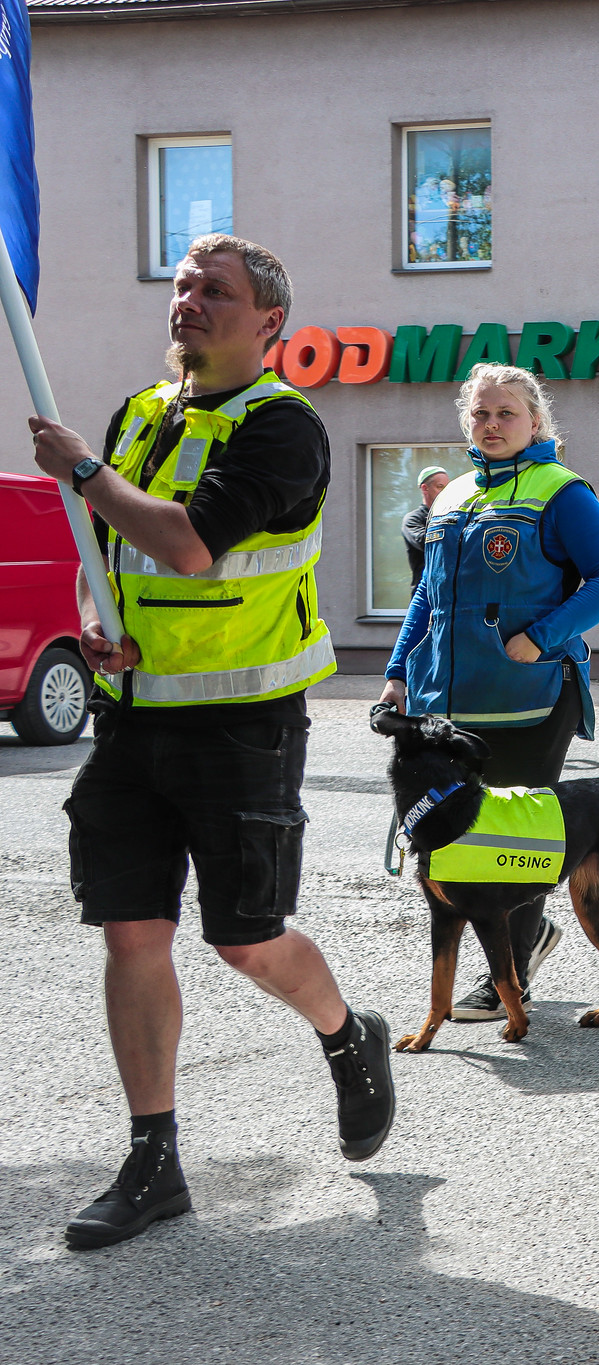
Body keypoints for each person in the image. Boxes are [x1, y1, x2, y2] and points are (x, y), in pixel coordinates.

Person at [31, 233, 394, 1249]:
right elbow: (105, 545)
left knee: (246, 941)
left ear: (269, 321)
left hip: (241, 725)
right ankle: (154, 1161)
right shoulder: (142, 413)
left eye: (215, 292)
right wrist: (95, 622)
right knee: (131, 932)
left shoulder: (284, 427)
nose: (188, 301)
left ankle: (346, 1035)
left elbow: (189, 544)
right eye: (184, 285)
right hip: (131, 716)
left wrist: (85, 469)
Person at [380, 362, 599, 1023]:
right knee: (460, 836)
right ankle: (528, 941)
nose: (492, 425)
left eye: (506, 413)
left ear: (535, 421)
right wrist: (399, 668)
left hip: (532, 696)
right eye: (481, 414)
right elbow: (428, 594)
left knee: (514, 839)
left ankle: (509, 973)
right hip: (448, 702)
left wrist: (543, 637)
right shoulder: (453, 496)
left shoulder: (562, 491)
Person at [402, 464, 450, 589]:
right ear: (425, 488)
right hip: (425, 592)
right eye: (440, 487)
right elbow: (428, 542)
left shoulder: (453, 515)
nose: (445, 492)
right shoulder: (413, 519)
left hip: (450, 592)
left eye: (447, 488)